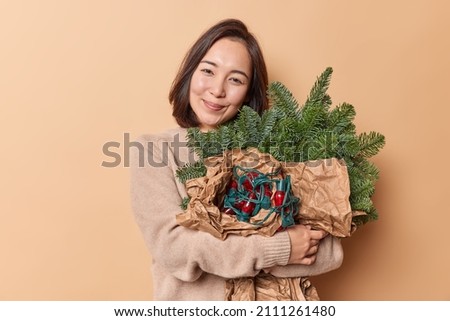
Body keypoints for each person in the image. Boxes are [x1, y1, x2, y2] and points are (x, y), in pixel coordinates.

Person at [130, 18, 343, 300]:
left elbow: (329, 253)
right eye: (208, 71)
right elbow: (176, 250)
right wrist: (280, 248)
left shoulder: (277, 150)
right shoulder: (153, 151)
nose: (218, 90)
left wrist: (223, 254)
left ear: (249, 92)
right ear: (190, 74)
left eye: (235, 79)